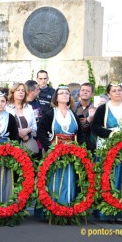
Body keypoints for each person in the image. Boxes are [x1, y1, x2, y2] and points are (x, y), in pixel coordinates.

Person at [91, 82, 122, 223]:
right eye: (114, 90)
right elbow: (95, 127)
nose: (118, 93)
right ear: (108, 94)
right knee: (109, 177)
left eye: (119, 90)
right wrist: (110, 134)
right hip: (108, 148)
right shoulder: (103, 109)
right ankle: (106, 211)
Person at [36, 86, 83, 215]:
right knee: (53, 177)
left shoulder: (73, 114)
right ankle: (53, 208)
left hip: (71, 152)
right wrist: (49, 147)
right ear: (56, 98)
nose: (64, 95)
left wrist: (80, 149)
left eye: (67, 93)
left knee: (70, 177)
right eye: (61, 93)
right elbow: (40, 131)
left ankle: (68, 207)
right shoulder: (50, 114)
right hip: (54, 152)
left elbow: (80, 133)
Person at [5, 83, 38, 154]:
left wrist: (27, 130)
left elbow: (35, 126)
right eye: (18, 90)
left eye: (23, 91)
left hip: (27, 143)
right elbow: (4, 126)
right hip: (11, 143)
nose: (21, 92)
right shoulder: (6, 107)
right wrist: (18, 132)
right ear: (13, 92)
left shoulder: (29, 107)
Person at [73, 82, 96, 152]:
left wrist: (90, 120)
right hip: (74, 142)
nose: (85, 92)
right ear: (79, 92)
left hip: (89, 143)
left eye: (88, 91)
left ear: (92, 94)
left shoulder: (95, 108)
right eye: (83, 90)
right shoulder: (72, 106)